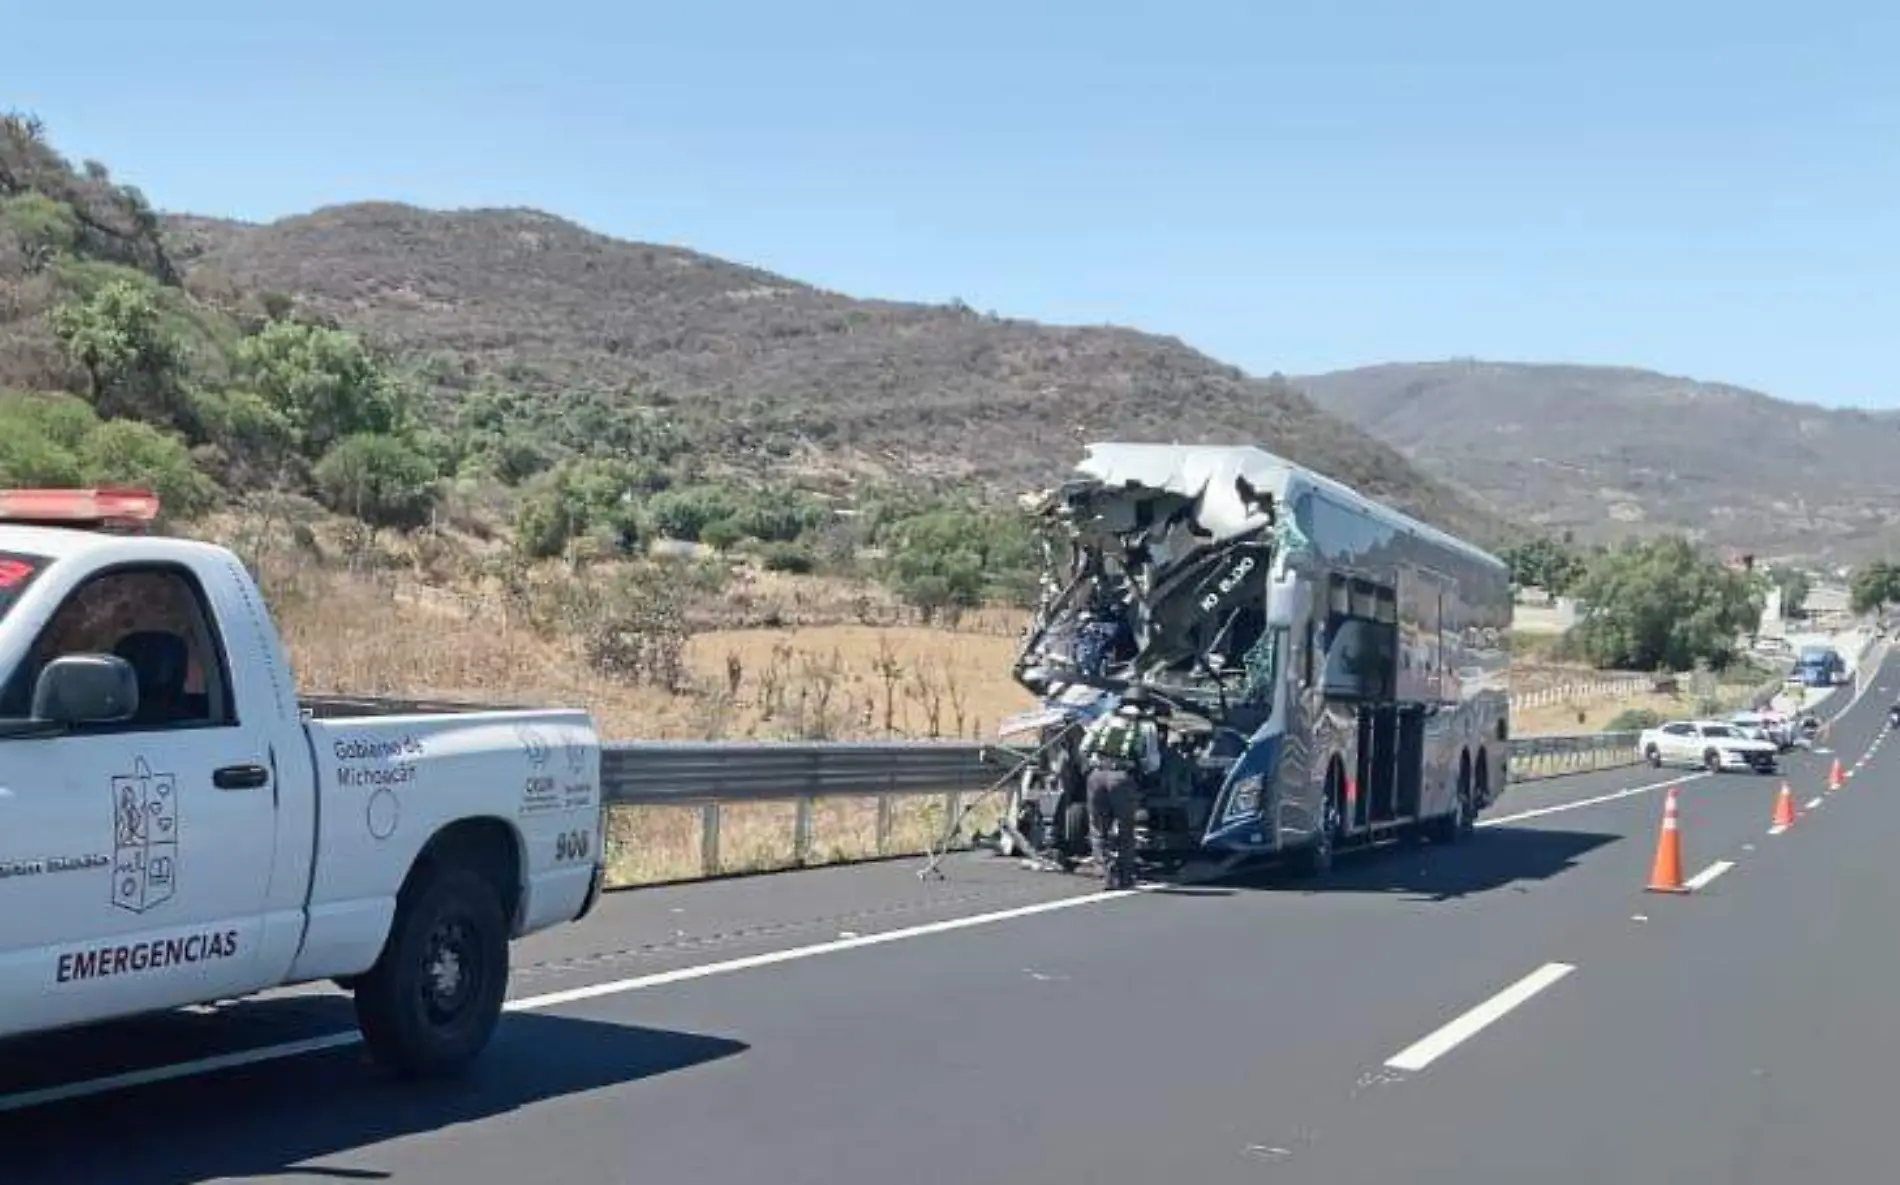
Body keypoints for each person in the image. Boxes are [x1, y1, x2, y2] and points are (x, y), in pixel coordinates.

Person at [1078, 686, 1164, 889]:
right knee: (1126, 829)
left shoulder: (1106, 717)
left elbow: (1084, 747)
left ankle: (1103, 872)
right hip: (1122, 779)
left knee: (1098, 828)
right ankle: (1125, 876)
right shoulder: (1146, 726)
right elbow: (1152, 762)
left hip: (1096, 776)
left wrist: (1094, 764)